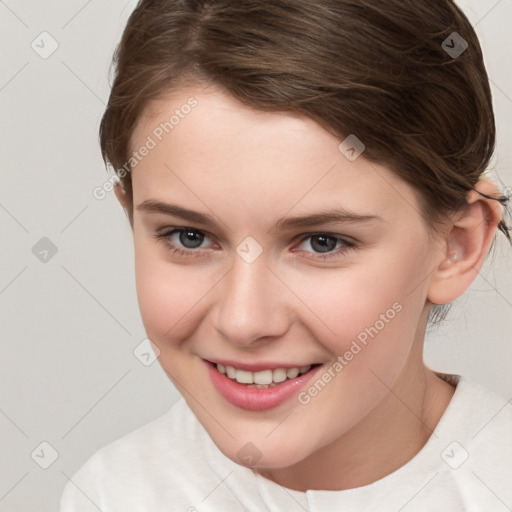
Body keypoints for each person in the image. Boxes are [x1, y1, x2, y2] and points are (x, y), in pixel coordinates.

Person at [60, 0, 512, 510]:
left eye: (323, 242)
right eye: (188, 236)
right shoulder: (112, 495)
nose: (244, 321)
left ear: (456, 245)